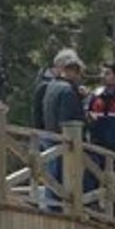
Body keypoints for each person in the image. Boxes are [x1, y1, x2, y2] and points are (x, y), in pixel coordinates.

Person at [40, 54, 86, 209]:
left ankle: (51, 206)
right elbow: (68, 118)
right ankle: (60, 209)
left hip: (48, 136)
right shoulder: (67, 91)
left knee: (51, 177)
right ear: (73, 71)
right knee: (61, 177)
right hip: (63, 139)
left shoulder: (51, 86)